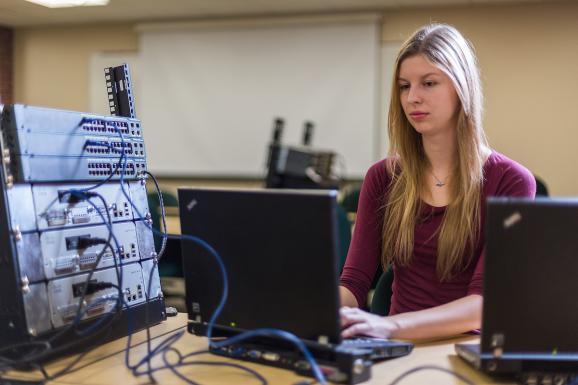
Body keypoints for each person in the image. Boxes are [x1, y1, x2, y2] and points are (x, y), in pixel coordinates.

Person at [338, 23, 536, 340]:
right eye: (404, 86)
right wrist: (320, 315)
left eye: (428, 83)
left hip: (466, 348)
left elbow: (482, 304)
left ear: (461, 88)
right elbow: (354, 282)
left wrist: (390, 325)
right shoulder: (383, 177)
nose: (413, 98)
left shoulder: (510, 181)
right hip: (395, 348)